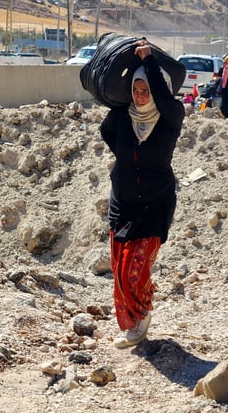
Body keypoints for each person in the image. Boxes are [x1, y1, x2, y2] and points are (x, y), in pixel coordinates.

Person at [99, 40, 185, 349]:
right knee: (120, 271)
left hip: (155, 204)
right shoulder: (122, 117)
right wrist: (125, 159)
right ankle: (134, 321)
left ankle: (143, 312)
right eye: (136, 89)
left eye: (146, 89)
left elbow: (163, 96)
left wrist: (148, 61)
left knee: (136, 268)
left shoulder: (171, 117)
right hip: (122, 202)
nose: (140, 94)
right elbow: (105, 131)